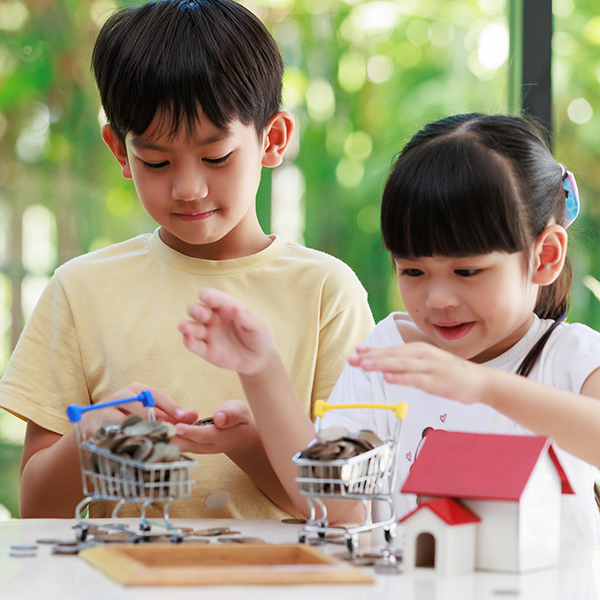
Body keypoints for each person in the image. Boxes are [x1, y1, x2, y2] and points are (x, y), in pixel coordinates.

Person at [0, 0, 375, 521]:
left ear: (274, 139)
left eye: (216, 157)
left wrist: (249, 447)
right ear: (119, 151)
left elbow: (349, 513)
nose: (188, 188)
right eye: (156, 161)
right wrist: (89, 439)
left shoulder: (325, 293)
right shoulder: (80, 289)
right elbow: (37, 510)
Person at [179, 113, 600, 544]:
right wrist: (260, 369)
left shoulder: (573, 357)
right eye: (413, 271)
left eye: (467, 271)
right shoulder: (389, 351)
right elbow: (334, 503)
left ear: (545, 257)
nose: (437, 299)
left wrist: (484, 386)